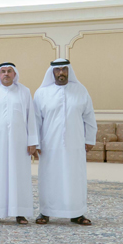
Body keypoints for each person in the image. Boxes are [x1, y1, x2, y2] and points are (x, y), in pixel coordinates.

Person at [33, 58, 97, 226]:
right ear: (52, 72)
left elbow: (89, 117)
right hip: (49, 145)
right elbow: (36, 121)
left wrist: (90, 138)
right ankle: (46, 212)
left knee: (75, 178)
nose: (61, 72)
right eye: (57, 69)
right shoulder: (41, 93)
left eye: (64, 69)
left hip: (75, 144)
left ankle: (77, 213)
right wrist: (36, 143)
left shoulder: (81, 91)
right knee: (49, 178)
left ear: (69, 71)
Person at [0, 63, 38, 225]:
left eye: (9, 71)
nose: (6, 74)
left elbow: (31, 117)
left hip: (20, 143)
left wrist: (32, 141)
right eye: (3, 72)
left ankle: (20, 213)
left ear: (14, 74)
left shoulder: (24, 92)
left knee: (20, 176)